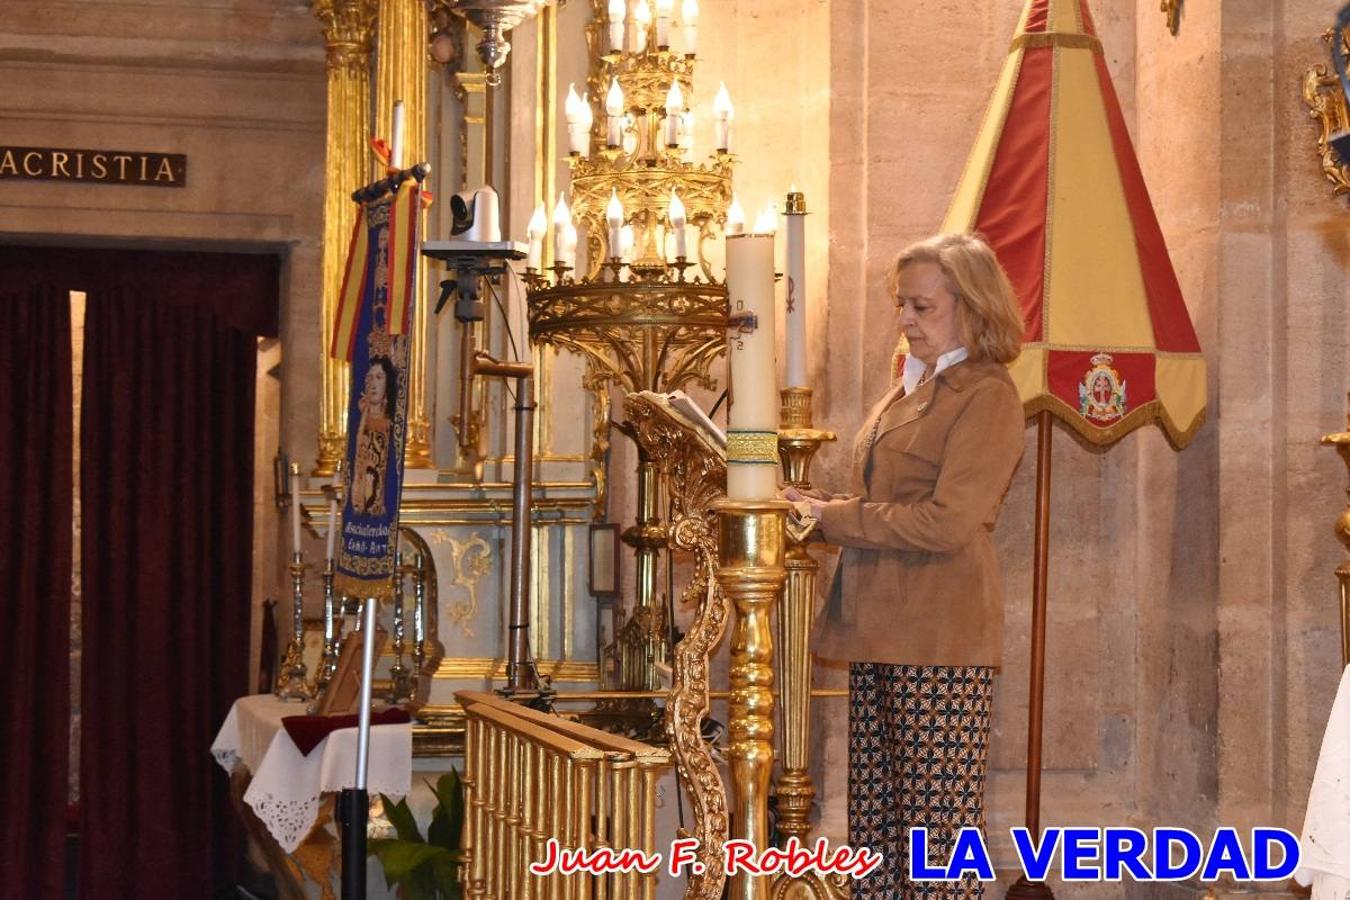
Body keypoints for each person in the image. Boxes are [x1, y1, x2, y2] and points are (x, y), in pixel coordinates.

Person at [790, 232, 1026, 898]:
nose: (906, 321)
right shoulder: (911, 388)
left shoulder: (987, 394)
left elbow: (949, 521)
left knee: (937, 842)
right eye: (902, 306)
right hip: (882, 632)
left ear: (971, 306)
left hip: (939, 638)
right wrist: (821, 507)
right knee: (878, 835)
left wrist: (833, 517)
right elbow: (888, 502)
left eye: (922, 307)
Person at [351, 355, 397, 517]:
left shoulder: (393, 424)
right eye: (369, 377)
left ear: (387, 383)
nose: (373, 384)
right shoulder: (359, 421)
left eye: (379, 377)